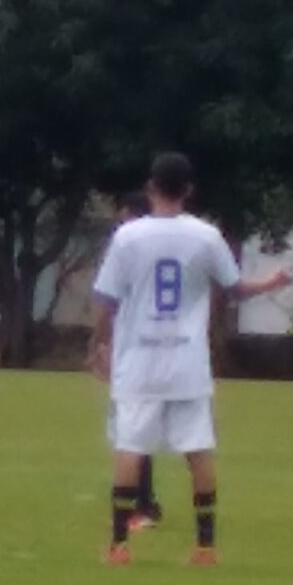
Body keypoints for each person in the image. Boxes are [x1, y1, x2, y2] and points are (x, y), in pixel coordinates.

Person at [88, 152, 292, 565]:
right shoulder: (206, 236)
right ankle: (205, 547)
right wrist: (271, 282)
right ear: (190, 190)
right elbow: (235, 289)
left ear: (150, 188)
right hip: (187, 361)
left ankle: (119, 545)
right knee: (198, 450)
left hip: (140, 360)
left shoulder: (128, 236)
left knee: (130, 446)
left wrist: (98, 343)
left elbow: (106, 299)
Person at [111, 191, 163, 533]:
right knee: (132, 432)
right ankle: (144, 502)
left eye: (124, 218)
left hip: (142, 355)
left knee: (134, 433)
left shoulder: (137, 256)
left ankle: (143, 505)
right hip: (136, 352)